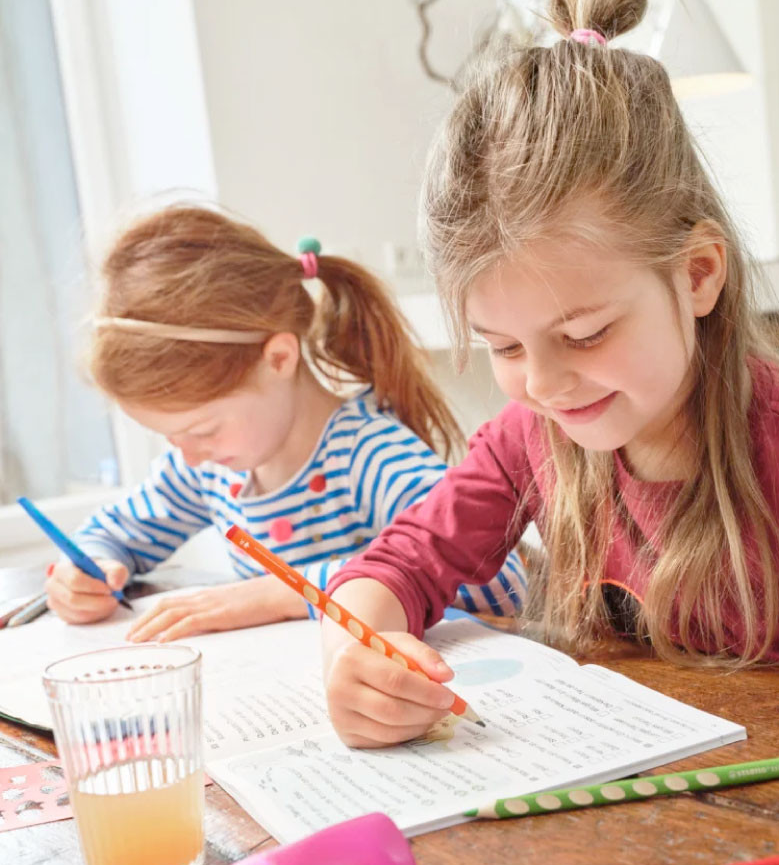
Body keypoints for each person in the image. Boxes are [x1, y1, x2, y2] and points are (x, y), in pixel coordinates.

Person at [320, 0, 779, 747]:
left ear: (696, 275)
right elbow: (398, 564)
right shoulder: (527, 438)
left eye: (586, 333)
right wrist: (355, 654)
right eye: (503, 348)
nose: (545, 384)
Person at [45, 205, 525, 640]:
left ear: (279, 358)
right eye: (170, 437)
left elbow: (500, 585)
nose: (185, 454)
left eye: (203, 429)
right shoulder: (207, 468)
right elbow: (114, 531)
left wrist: (280, 594)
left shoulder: (368, 455)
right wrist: (86, 569)